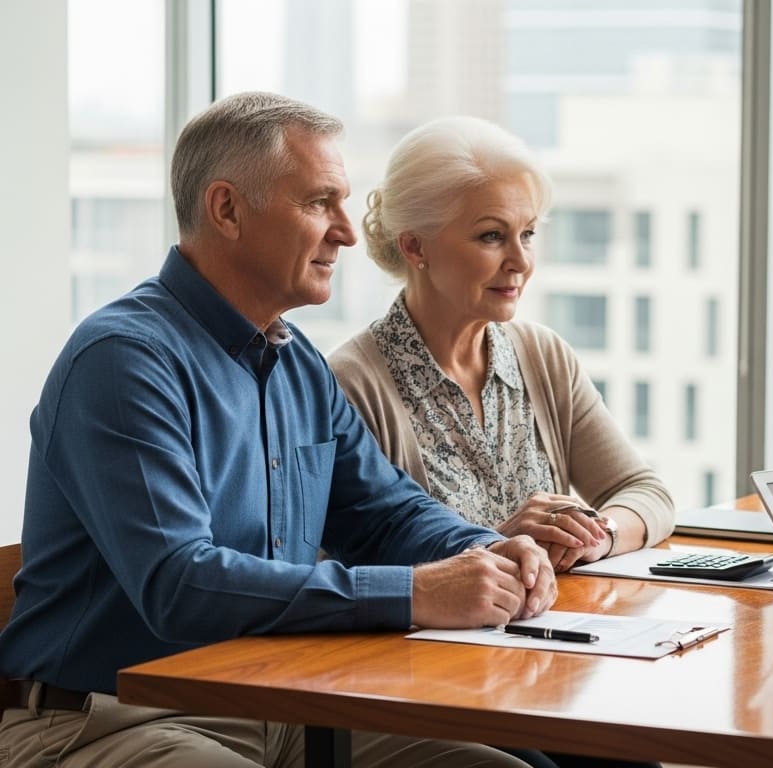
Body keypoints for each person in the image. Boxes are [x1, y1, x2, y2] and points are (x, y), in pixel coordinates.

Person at [0, 92, 556, 768]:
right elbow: (180, 583)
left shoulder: (298, 366)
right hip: (109, 720)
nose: (349, 233)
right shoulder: (123, 360)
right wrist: (415, 593)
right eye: (319, 203)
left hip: (274, 705)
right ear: (227, 209)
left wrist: (489, 552)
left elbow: (385, 515)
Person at [329, 116, 673, 576]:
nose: (521, 261)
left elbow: (646, 492)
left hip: (559, 631)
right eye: (492, 236)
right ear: (414, 247)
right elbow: (353, 565)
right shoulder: (350, 384)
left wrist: (596, 535)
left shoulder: (543, 356)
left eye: (527, 233)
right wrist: (497, 544)